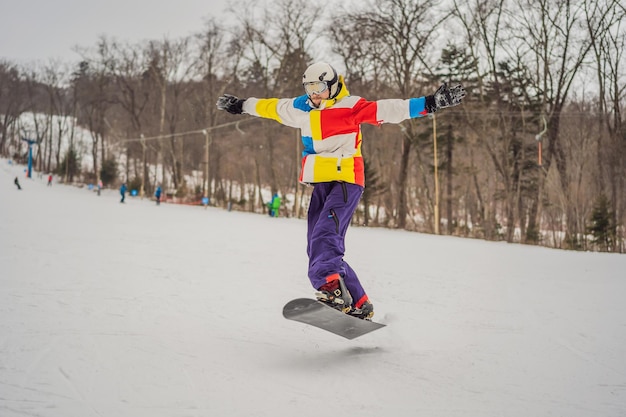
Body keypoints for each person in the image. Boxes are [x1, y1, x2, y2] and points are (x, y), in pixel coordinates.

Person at [216, 62, 465, 320]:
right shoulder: (300, 108)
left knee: (326, 236)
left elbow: (391, 108)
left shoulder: (350, 106)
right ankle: (359, 302)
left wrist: (431, 102)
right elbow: (269, 107)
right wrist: (241, 105)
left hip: (346, 179)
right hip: (321, 181)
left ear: (333, 85)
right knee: (316, 247)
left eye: (320, 87)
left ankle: (333, 290)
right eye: (309, 88)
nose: (315, 94)